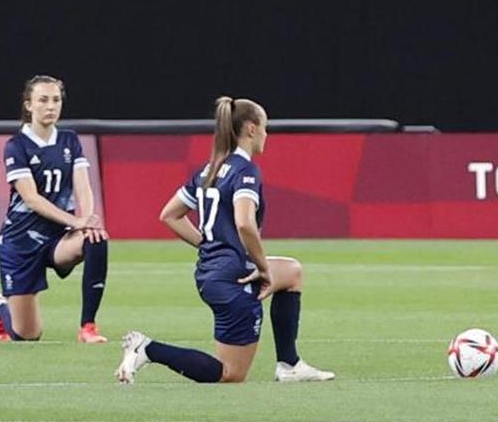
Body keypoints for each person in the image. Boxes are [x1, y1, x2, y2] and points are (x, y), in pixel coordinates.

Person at [116, 97, 335, 384]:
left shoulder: (209, 170)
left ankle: (289, 364)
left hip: (213, 271)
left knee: (292, 272)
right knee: (230, 373)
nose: (267, 134)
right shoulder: (246, 171)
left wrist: (209, 245)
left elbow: (170, 215)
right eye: (265, 127)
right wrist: (262, 266)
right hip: (233, 278)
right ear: (251, 129)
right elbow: (245, 222)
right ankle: (148, 348)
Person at [0, 75, 110, 343]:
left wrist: (86, 220)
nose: (51, 106)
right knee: (28, 335)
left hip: (57, 239)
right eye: (43, 100)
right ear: (29, 105)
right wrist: (75, 220)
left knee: (96, 237)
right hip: (20, 242)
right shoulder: (16, 146)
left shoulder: (69, 140)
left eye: (56, 100)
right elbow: (31, 198)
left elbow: (83, 187)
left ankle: (88, 327)